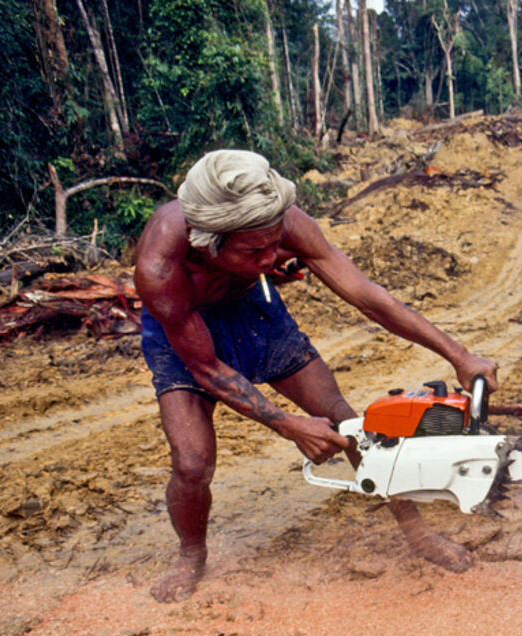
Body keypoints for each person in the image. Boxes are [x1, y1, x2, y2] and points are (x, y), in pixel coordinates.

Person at [134, 149, 498, 602]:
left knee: (349, 424)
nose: (272, 258)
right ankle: (191, 553)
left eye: (276, 244)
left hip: (253, 309)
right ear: (208, 242)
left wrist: (458, 355)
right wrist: (286, 424)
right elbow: (206, 366)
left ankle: (417, 533)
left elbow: (366, 295)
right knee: (192, 463)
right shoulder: (160, 268)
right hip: (183, 327)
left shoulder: (282, 220)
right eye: (255, 251)